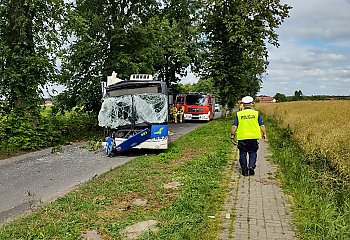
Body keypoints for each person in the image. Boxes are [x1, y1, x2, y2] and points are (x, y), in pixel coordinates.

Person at [230, 96, 267, 176]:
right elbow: (262, 125)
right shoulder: (256, 114)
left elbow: (234, 126)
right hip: (253, 137)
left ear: (243, 104)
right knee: (253, 152)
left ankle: (244, 171)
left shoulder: (239, 114)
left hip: (242, 137)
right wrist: (264, 133)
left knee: (242, 153)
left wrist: (232, 134)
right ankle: (251, 166)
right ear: (251, 104)